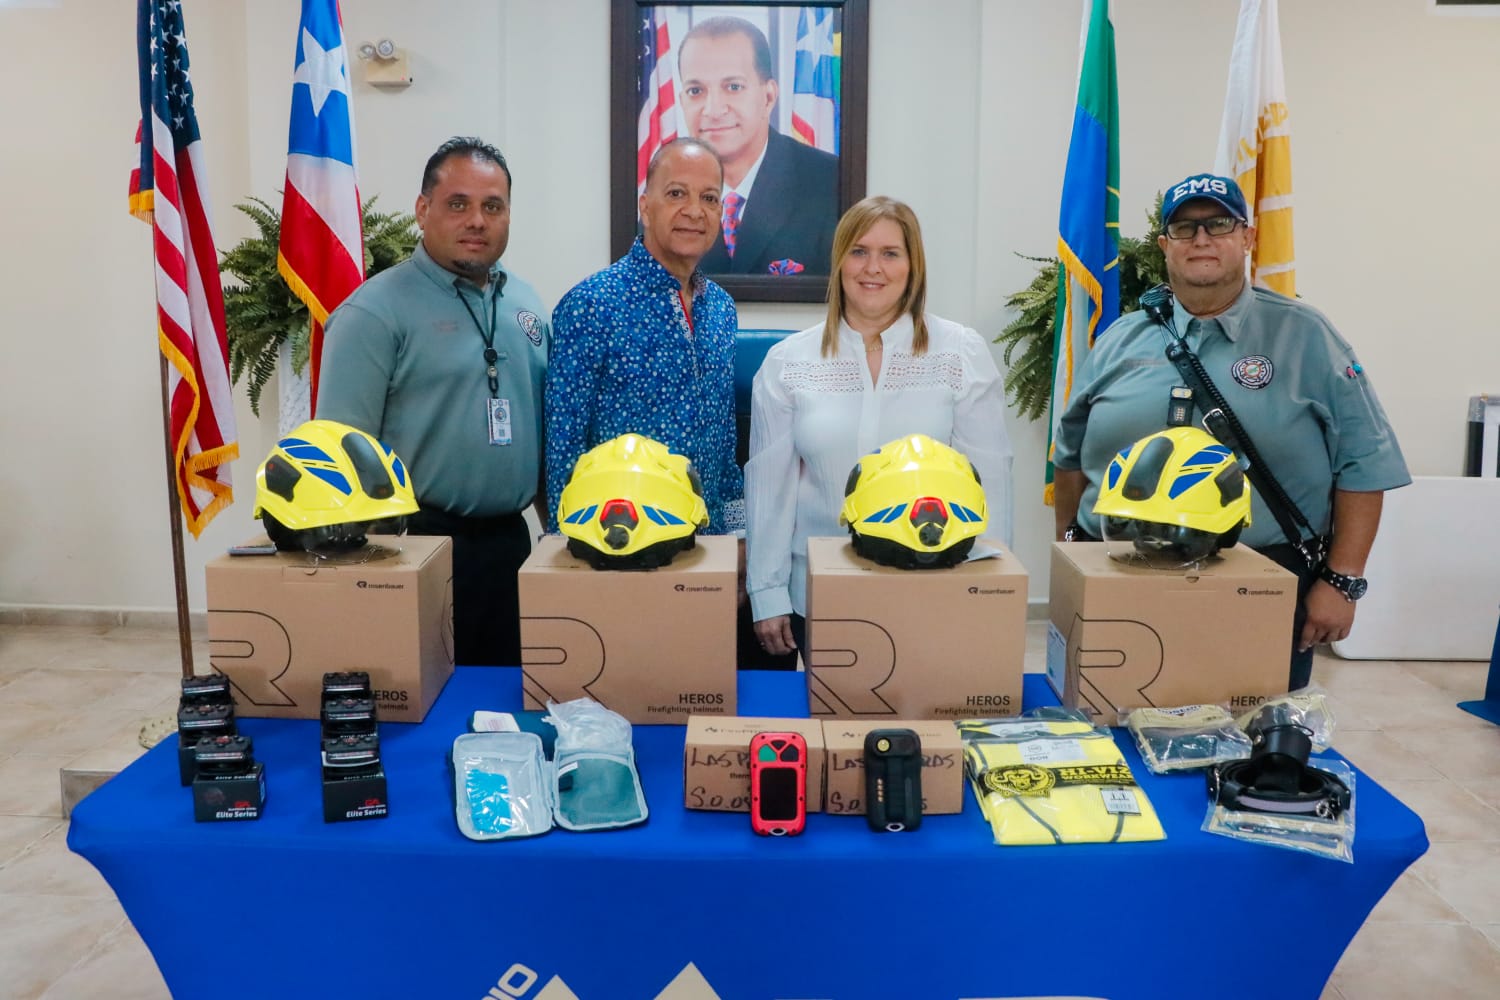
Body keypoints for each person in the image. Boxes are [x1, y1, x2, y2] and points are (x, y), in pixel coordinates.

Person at [1052, 172, 1410, 690]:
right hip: (1118, 572)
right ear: (1164, 246)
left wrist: (1340, 581)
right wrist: (1069, 547)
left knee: (1250, 742)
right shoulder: (1120, 339)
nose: (1201, 239)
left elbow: (1364, 463)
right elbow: (1070, 457)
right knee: (1110, 735)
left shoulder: (1306, 337)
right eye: (1185, 227)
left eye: (1219, 223)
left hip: (1257, 579)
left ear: (1247, 237)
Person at [746, 196, 1015, 658]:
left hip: (934, 586)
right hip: (817, 591)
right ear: (839, 262)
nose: (873, 267)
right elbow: (770, 490)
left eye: (890, 253)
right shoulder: (787, 362)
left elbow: (990, 481)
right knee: (829, 727)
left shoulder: (960, 353)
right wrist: (766, 593)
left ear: (913, 266)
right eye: (859, 251)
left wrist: (986, 593)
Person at [317, 136, 549, 668]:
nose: (477, 221)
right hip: (412, 547)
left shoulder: (526, 304)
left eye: (493, 206)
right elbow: (340, 454)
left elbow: (541, 431)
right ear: (423, 210)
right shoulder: (373, 313)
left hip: (510, 548)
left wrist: (557, 539)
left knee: (505, 704)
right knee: (422, 718)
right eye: (458, 204)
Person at [545, 137, 744, 538]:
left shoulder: (721, 308)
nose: (694, 211)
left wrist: (738, 541)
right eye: (676, 194)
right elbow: (563, 446)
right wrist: (564, 549)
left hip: (708, 548)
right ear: (645, 206)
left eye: (709, 198)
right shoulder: (591, 305)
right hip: (617, 545)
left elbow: (725, 444)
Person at [677, 15, 839, 277]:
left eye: (733, 87)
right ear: (682, 101)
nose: (713, 110)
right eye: (696, 91)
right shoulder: (665, 190)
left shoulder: (831, 183)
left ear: (768, 96)